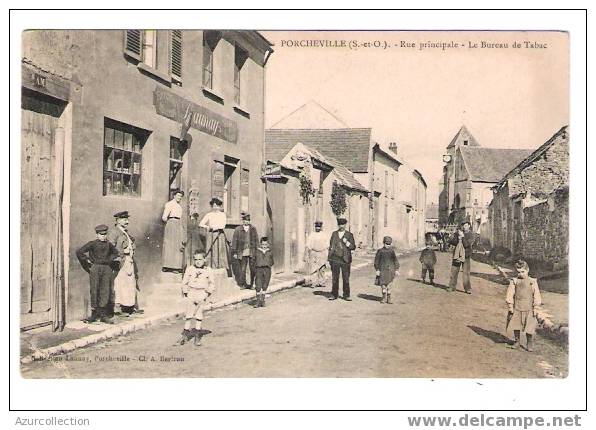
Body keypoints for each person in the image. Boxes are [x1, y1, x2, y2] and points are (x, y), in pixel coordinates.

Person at [76, 224, 119, 324]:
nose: (103, 236)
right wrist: (87, 261)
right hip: (95, 268)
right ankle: (94, 314)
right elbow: (79, 252)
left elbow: (116, 253)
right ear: (97, 235)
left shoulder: (109, 244)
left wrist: (110, 260)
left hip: (106, 268)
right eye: (101, 234)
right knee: (94, 289)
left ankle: (103, 315)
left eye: (105, 234)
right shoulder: (92, 244)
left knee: (105, 290)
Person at [176, 251, 215, 347]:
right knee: (189, 314)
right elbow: (184, 282)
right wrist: (186, 292)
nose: (198, 262)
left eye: (200, 259)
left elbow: (212, 284)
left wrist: (206, 294)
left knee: (199, 314)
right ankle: (185, 334)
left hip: (202, 292)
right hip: (191, 292)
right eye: (196, 259)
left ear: (204, 260)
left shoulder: (208, 270)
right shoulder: (190, 269)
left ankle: (197, 335)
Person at [107, 211, 142, 315]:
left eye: (127, 219)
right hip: (120, 261)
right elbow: (110, 248)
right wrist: (120, 254)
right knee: (119, 284)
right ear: (117, 220)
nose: (126, 221)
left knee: (128, 284)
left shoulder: (125, 232)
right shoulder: (114, 232)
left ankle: (127, 307)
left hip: (128, 261)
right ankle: (117, 308)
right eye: (123, 219)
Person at [506, 260, 542, 352]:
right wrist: (510, 305)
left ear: (527, 270)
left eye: (523, 272)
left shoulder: (532, 282)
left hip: (528, 308)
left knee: (529, 326)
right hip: (517, 307)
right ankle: (517, 341)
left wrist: (536, 307)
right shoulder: (514, 281)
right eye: (518, 272)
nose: (521, 274)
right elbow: (510, 293)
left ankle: (529, 342)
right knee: (516, 325)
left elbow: (536, 295)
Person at [327, 217, 356, 301]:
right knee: (335, 278)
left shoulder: (349, 235)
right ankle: (334, 294)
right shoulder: (334, 234)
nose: (341, 226)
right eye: (340, 224)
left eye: (343, 224)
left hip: (345, 260)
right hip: (335, 259)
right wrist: (329, 258)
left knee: (346, 278)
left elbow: (353, 247)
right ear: (338, 225)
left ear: (345, 225)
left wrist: (347, 242)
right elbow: (331, 246)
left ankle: (346, 295)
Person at [199, 197, 230, 273]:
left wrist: (215, 227)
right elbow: (201, 224)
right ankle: (210, 266)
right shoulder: (209, 214)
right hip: (211, 235)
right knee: (211, 249)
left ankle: (220, 266)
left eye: (217, 205)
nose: (215, 207)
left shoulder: (222, 215)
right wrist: (208, 227)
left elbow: (222, 225)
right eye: (213, 206)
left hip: (219, 234)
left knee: (219, 250)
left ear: (219, 206)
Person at [231, 213, 259, 289]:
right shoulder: (238, 229)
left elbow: (256, 241)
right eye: (245, 220)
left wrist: (257, 251)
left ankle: (252, 284)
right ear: (242, 221)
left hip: (251, 251)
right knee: (242, 269)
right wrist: (234, 252)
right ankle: (242, 284)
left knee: (252, 268)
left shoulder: (253, 229)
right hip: (242, 252)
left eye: (248, 220)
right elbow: (234, 241)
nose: (246, 222)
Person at [161, 189, 186, 273]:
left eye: (181, 196)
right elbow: (164, 217)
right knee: (170, 244)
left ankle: (176, 266)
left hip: (178, 224)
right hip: (171, 224)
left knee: (177, 245)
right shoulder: (169, 204)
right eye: (178, 195)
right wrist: (170, 223)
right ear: (174, 196)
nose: (179, 197)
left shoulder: (179, 206)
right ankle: (168, 266)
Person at [447, 221, 475, 293]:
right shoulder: (458, 233)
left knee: (466, 273)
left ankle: (467, 288)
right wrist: (454, 236)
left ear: (469, 226)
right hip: (457, 255)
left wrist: (462, 237)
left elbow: (466, 245)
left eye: (466, 225)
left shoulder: (471, 234)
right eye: (463, 225)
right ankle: (451, 287)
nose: (464, 227)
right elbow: (451, 242)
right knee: (454, 271)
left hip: (466, 256)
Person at [374, 236, 400, 304]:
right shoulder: (380, 251)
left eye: (389, 244)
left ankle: (389, 298)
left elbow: (395, 260)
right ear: (383, 243)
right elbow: (376, 261)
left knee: (389, 285)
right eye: (386, 244)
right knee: (383, 285)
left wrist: (396, 269)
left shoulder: (392, 251)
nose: (387, 245)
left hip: (390, 270)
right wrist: (377, 270)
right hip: (382, 270)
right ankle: (383, 297)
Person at [305, 221, 328, 288]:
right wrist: (306, 254)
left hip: (322, 253)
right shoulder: (312, 235)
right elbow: (308, 245)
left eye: (319, 227)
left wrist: (327, 254)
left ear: (321, 227)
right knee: (313, 269)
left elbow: (327, 245)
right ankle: (314, 282)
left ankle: (321, 282)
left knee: (322, 269)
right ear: (315, 227)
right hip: (314, 253)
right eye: (316, 227)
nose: (318, 228)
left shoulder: (324, 235)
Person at [253, 237, 274, 308]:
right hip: (259, 269)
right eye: (263, 244)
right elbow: (253, 260)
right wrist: (256, 267)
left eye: (265, 245)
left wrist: (268, 265)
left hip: (267, 269)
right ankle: (258, 301)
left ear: (267, 244)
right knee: (258, 284)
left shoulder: (270, 252)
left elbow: (272, 261)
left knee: (265, 285)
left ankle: (263, 300)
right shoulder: (257, 251)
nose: (264, 246)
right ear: (260, 244)